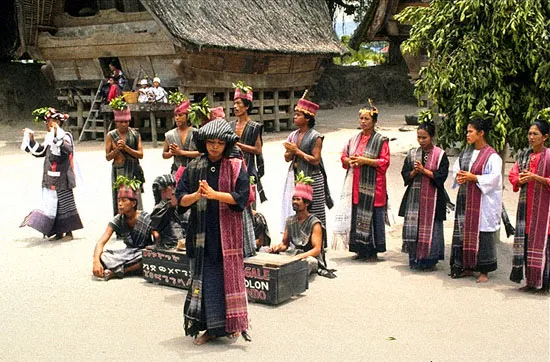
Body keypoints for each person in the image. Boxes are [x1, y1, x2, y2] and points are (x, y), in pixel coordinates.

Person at [175, 119, 250, 345]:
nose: (214, 147)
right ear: (204, 143)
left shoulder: (236, 166)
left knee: (226, 279)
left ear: (226, 145)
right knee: (205, 281)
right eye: (210, 142)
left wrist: (215, 194)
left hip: (226, 236)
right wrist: (197, 195)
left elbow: (241, 199)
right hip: (201, 234)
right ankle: (210, 328)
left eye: (219, 143)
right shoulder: (194, 167)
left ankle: (231, 325)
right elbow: (180, 200)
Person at [335, 105, 390, 261]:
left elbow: (384, 162)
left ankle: (372, 250)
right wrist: (349, 160)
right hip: (357, 183)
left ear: (374, 121)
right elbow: (344, 156)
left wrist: (365, 161)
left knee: (372, 215)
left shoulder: (381, 140)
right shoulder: (354, 139)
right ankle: (360, 248)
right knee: (358, 213)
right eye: (361, 118)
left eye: (367, 119)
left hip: (374, 185)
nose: (363, 122)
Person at [451, 118, 502, 283]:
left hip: (482, 202)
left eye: (471, 131)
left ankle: (484, 271)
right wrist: (459, 177)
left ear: (481, 133)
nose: (467, 135)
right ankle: (467, 266)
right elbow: (456, 169)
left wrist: (474, 177)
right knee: (464, 230)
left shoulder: (492, 156)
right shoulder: (466, 153)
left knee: (483, 233)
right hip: (466, 198)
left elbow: (494, 178)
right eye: (467, 131)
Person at [20, 108, 83, 240]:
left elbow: (67, 149)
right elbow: (41, 151)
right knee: (53, 205)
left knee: (65, 203)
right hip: (50, 177)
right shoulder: (49, 138)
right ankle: (58, 232)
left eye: (52, 121)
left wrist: (56, 137)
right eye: (49, 122)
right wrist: (31, 139)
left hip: (63, 176)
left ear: (58, 123)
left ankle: (69, 232)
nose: (49, 124)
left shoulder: (65, 136)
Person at [399, 122, 449, 270]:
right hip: (414, 198)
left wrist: (424, 170)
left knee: (432, 227)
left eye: (424, 137)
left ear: (432, 137)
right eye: (419, 137)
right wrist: (414, 172)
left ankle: (429, 260)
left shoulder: (440, 155)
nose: (421, 141)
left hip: (433, 198)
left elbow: (441, 176)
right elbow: (405, 174)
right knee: (414, 226)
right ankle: (414, 258)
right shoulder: (412, 153)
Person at [282, 96, 333, 238]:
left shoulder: (316, 137)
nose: (294, 117)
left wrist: (297, 151)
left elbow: (316, 160)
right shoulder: (293, 135)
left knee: (315, 210)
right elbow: (287, 159)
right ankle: (299, 240)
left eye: (298, 115)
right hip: (298, 176)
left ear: (307, 118)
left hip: (313, 177)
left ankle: (319, 243)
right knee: (298, 209)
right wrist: (290, 152)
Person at [509, 119, 550, 293]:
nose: (531, 137)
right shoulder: (524, 156)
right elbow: (513, 175)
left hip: (545, 210)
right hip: (526, 208)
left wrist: (536, 178)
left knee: (544, 247)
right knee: (527, 244)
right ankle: (531, 281)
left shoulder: (548, 156)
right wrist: (519, 180)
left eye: (535, 134)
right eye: (530, 134)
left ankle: (544, 284)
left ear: (545, 137)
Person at [269, 174, 334, 278]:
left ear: (307, 203)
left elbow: (316, 250)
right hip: (295, 254)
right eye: (293, 199)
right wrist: (276, 248)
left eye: (298, 199)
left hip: (310, 257)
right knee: (265, 252)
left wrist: (300, 256)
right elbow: (285, 244)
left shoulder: (314, 223)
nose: (294, 202)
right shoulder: (290, 220)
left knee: (308, 262)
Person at [92, 178, 153, 281]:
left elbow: (157, 237)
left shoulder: (146, 217)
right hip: (128, 253)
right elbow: (101, 242)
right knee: (104, 256)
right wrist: (96, 261)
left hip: (142, 253)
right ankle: (127, 269)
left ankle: (117, 272)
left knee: (148, 258)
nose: (120, 204)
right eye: (119, 201)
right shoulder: (118, 219)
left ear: (133, 203)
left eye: (124, 201)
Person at [229, 82, 267, 203]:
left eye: (238, 103)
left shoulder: (254, 126)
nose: (235, 106)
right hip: (232, 168)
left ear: (246, 107)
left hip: (248, 168)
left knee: (249, 203)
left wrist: (239, 145)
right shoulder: (231, 125)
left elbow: (258, 150)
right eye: (234, 103)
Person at [105, 107, 144, 215]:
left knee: (134, 196)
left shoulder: (135, 134)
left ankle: (137, 221)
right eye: (121, 122)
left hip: (133, 169)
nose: (124, 124)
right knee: (120, 197)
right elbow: (108, 157)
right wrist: (117, 149)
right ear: (116, 122)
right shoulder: (111, 135)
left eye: (126, 121)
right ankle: (121, 223)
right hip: (119, 170)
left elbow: (140, 155)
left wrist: (126, 148)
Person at [162, 100, 200, 174]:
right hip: (177, 171)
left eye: (180, 115)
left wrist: (181, 152)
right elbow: (164, 154)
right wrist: (171, 153)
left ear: (187, 116)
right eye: (176, 115)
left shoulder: (196, 133)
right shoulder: (170, 135)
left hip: (195, 171)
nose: (177, 118)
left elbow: (201, 153)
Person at [151, 174, 185, 249]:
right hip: (168, 244)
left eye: (174, 186)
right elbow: (157, 223)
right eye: (170, 187)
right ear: (162, 190)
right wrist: (171, 206)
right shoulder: (159, 208)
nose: (173, 189)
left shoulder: (177, 205)